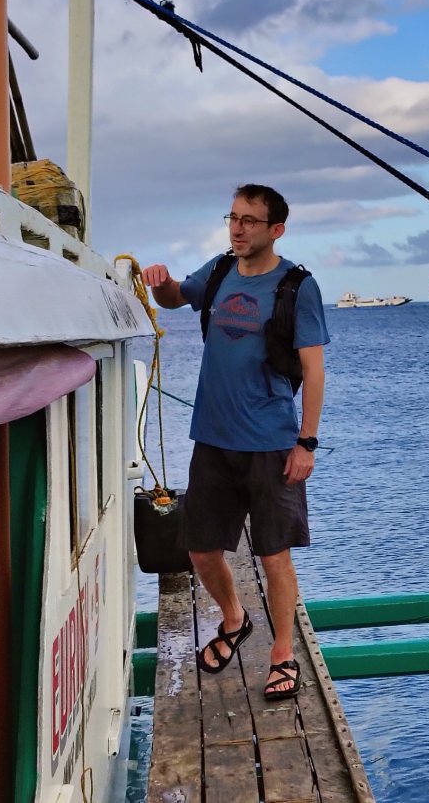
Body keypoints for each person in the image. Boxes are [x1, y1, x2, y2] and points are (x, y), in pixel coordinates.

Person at [142, 184, 329, 701]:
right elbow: (176, 297)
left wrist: (306, 443)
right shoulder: (220, 271)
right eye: (232, 218)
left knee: (274, 558)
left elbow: (313, 371)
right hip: (213, 439)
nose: (238, 228)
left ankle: (282, 653)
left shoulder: (296, 286)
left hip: (271, 443)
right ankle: (234, 618)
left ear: (276, 230)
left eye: (250, 220)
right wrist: (159, 282)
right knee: (201, 550)